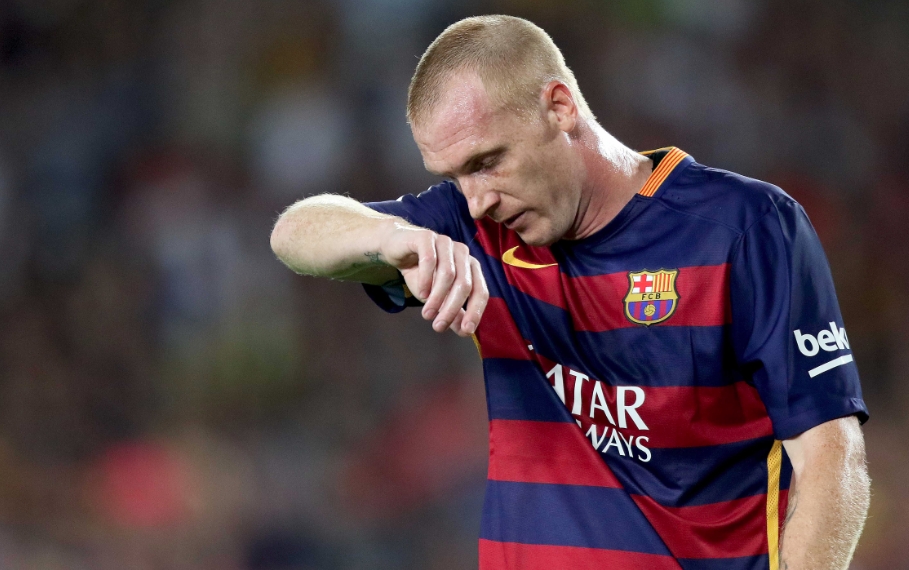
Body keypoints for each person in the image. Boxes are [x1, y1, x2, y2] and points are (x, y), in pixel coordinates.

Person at [270, 15, 870, 570]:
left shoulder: (744, 227)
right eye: (453, 176)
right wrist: (390, 236)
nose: (476, 200)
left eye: (487, 161)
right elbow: (294, 232)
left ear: (558, 107)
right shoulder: (472, 230)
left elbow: (831, 456)